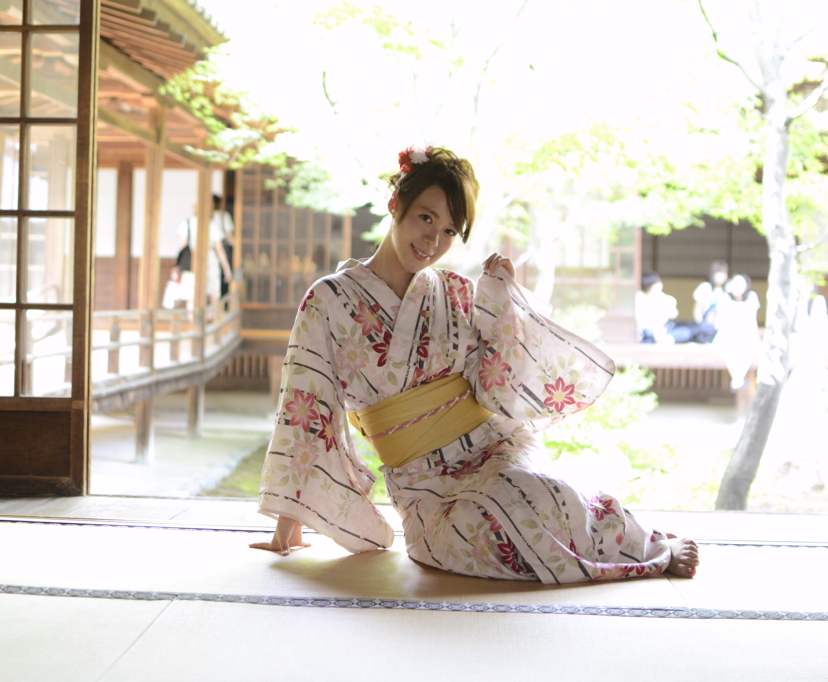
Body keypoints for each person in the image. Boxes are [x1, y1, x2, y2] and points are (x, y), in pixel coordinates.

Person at [249, 146, 699, 583]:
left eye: (449, 231)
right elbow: (306, 400)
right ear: (395, 204)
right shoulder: (328, 299)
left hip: (493, 448)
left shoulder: (455, 291)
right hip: (420, 480)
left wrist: (501, 306)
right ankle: (614, 543)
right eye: (426, 217)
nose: (432, 240)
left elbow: (495, 384)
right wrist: (290, 518)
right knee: (466, 534)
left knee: (529, 491)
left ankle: (642, 545)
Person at [713, 273, 760, 390]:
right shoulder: (724, 298)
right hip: (727, 334)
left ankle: (737, 380)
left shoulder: (752, 297)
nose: (737, 286)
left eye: (740, 283)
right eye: (735, 283)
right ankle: (737, 380)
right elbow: (719, 322)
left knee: (748, 349)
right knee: (731, 348)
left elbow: (753, 321)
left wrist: (757, 338)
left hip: (746, 335)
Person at [635, 271, 694, 344]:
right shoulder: (640, 297)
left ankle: (664, 340)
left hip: (663, 330)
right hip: (647, 329)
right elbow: (641, 320)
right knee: (648, 333)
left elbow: (672, 315)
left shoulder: (666, 298)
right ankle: (662, 340)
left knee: (686, 332)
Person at [211, 194, 235, 299]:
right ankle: (222, 305)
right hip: (222, 249)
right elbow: (230, 238)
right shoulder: (223, 216)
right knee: (223, 279)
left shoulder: (200, 217)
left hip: (207, 252)